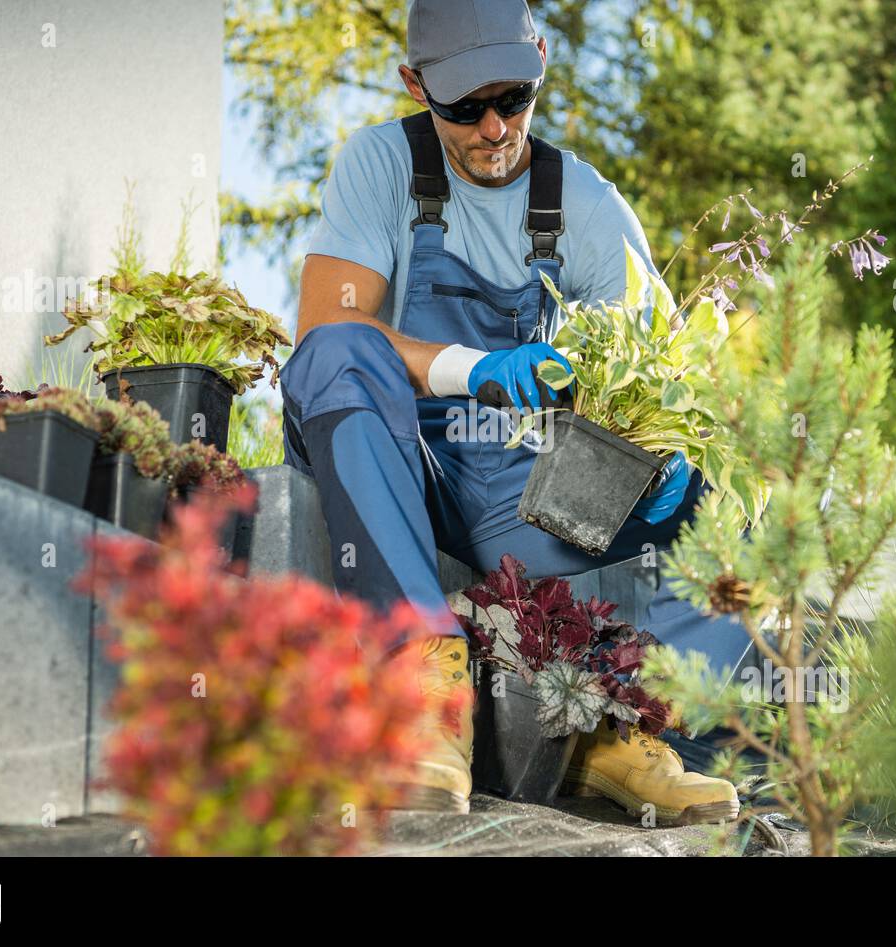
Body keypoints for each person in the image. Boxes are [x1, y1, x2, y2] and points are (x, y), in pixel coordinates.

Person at [278, 0, 750, 826]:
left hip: (512, 489)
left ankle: (619, 726)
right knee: (338, 352)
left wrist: (666, 457)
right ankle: (423, 682)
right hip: (388, 455)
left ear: (539, 59)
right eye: (466, 107)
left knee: (724, 507)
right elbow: (327, 325)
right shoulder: (383, 165)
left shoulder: (585, 203)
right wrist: (474, 369)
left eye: (515, 97)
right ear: (415, 85)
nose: (496, 128)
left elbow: (680, 369)